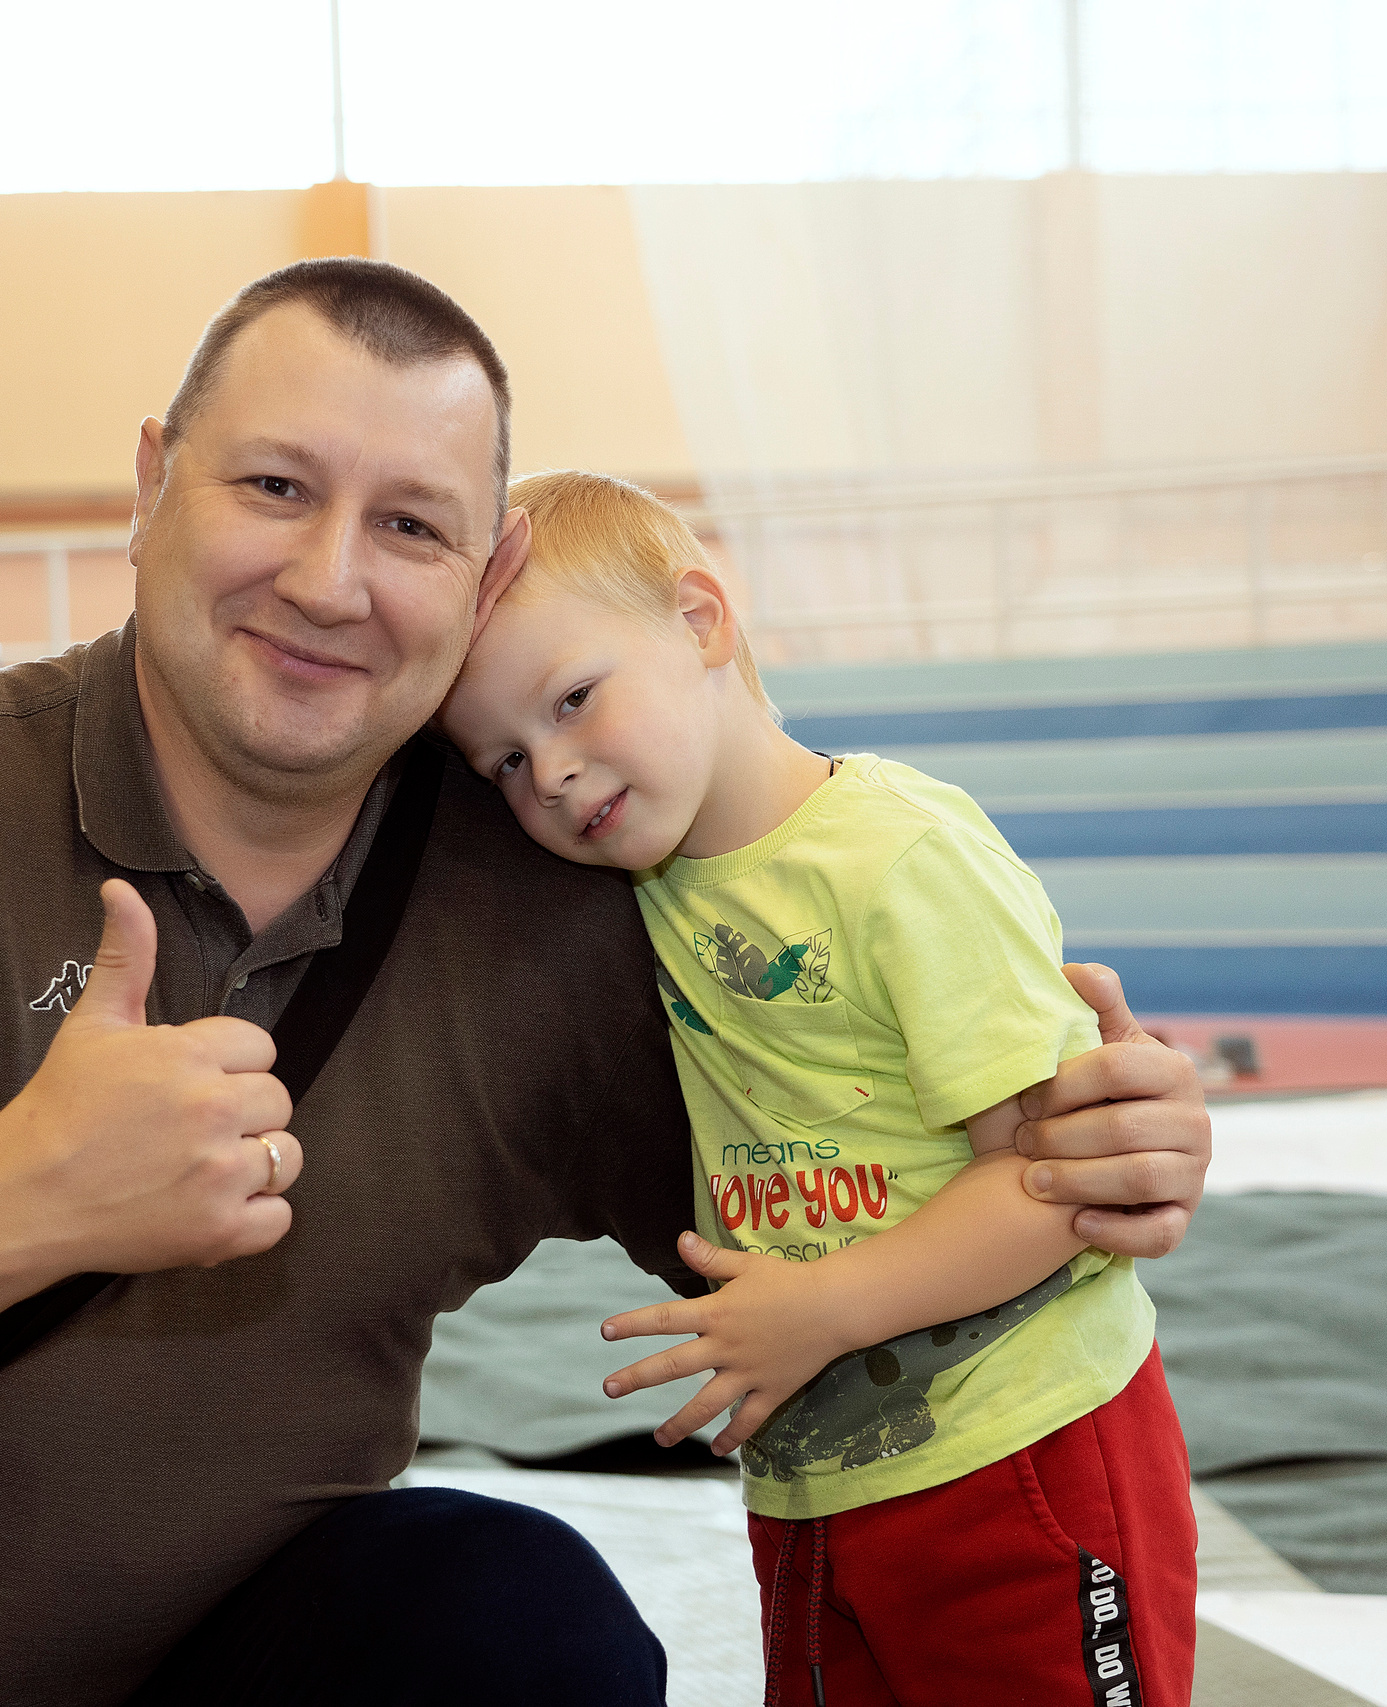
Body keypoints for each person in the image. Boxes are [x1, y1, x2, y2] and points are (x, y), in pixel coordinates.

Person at [0, 259, 1213, 1707]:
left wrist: (1093, 1142)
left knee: (515, 1619)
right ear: (152, 483)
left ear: (482, 580)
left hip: (243, 1657)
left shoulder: (542, 891)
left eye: (411, 524)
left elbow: (862, 1165)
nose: (329, 580)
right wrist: (22, 1195)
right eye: (275, 487)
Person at [439, 470, 1196, 1707]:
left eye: (574, 700)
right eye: (506, 762)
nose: (555, 774)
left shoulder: (898, 854)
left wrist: (823, 1307)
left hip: (1020, 1442)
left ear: (700, 620)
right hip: (817, 1473)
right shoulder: (638, 895)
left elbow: (1058, 1181)